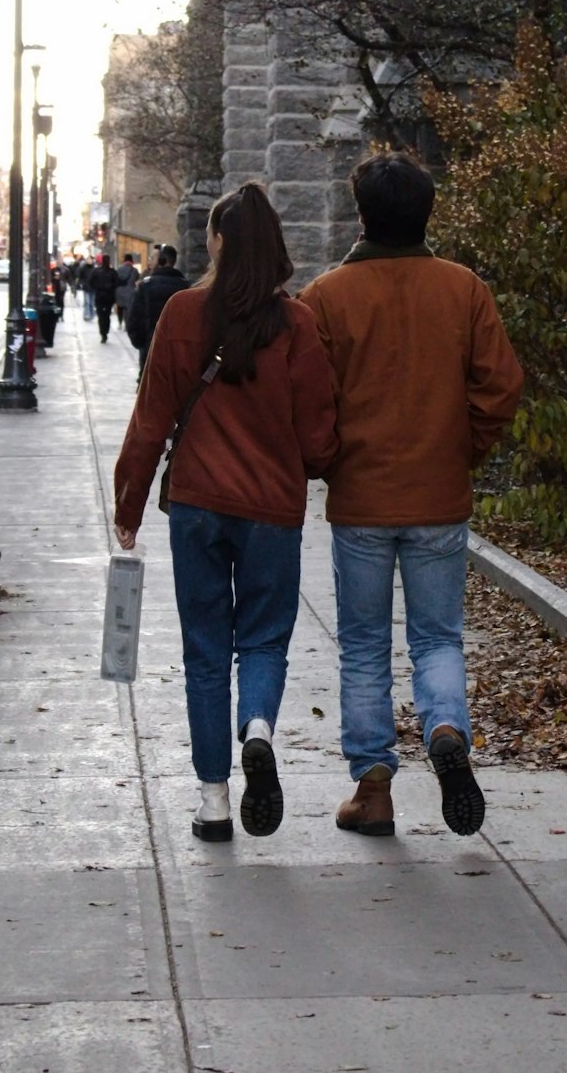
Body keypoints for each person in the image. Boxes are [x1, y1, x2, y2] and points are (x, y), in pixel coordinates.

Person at [299, 152, 523, 839]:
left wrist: (330, 460)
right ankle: (447, 728)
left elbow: (309, 403)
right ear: (428, 212)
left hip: (362, 501)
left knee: (364, 647)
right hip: (439, 495)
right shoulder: (464, 290)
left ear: (363, 214)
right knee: (437, 638)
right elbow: (500, 387)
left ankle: (373, 790)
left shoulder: (326, 297)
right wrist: (463, 449)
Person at [113, 183, 338, 843]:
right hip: (271, 509)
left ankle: (214, 802)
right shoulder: (296, 325)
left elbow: (150, 421)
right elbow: (319, 435)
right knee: (264, 640)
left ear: (214, 242)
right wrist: (312, 464)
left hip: (199, 507)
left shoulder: (182, 314)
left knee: (206, 652)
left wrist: (129, 505)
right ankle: (259, 729)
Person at [126, 243, 189, 383]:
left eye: (153, 257)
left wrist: (142, 344)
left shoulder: (146, 286)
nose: (149, 261)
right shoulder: (188, 287)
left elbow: (133, 321)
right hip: (180, 357)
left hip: (151, 353)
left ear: (162, 261)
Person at [90, 254, 118, 341]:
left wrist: (96, 288)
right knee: (106, 315)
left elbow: (90, 282)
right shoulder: (112, 272)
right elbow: (116, 283)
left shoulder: (96, 271)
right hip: (109, 297)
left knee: (101, 315)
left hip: (100, 296)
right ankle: (105, 331)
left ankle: (103, 332)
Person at [115, 253, 139, 328]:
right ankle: (126, 323)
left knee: (120, 307)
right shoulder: (134, 270)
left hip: (119, 291)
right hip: (130, 291)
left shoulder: (119, 269)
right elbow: (136, 278)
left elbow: (116, 279)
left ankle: (119, 323)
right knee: (127, 308)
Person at [79, 257, 96, 321]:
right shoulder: (83, 268)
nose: (89, 261)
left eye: (90, 260)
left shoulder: (94, 268)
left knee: (92, 302)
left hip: (93, 288)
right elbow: (81, 277)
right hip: (86, 287)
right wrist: (82, 283)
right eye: (88, 260)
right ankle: (87, 314)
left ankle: (92, 314)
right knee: (87, 302)